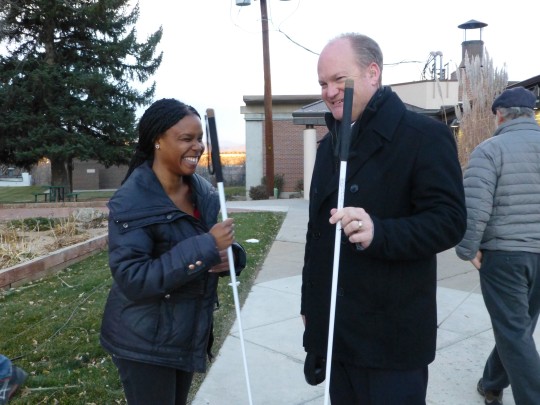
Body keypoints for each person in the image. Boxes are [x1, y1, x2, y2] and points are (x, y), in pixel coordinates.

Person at [300, 33, 467, 404]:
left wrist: (381, 232)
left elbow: (450, 221)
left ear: (372, 73)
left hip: (391, 339)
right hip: (337, 334)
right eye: (322, 83)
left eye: (338, 80)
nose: (329, 92)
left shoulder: (425, 137)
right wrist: (309, 305)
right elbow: (316, 234)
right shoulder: (328, 148)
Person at [100, 98, 246, 405]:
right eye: (186, 139)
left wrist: (229, 256)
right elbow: (133, 278)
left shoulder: (202, 192)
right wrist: (207, 246)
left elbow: (203, 251)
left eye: (199, 138)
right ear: (157, 141)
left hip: (184, 332)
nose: (197, 147)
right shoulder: (131, 201)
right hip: (144, 341)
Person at [455, 86, 540, 405]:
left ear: (500, 115)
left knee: (515, 331)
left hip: (505, 256)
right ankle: (492, 382)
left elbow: (475, 208)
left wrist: (467, 249)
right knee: (518, 327)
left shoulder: (489, 150)